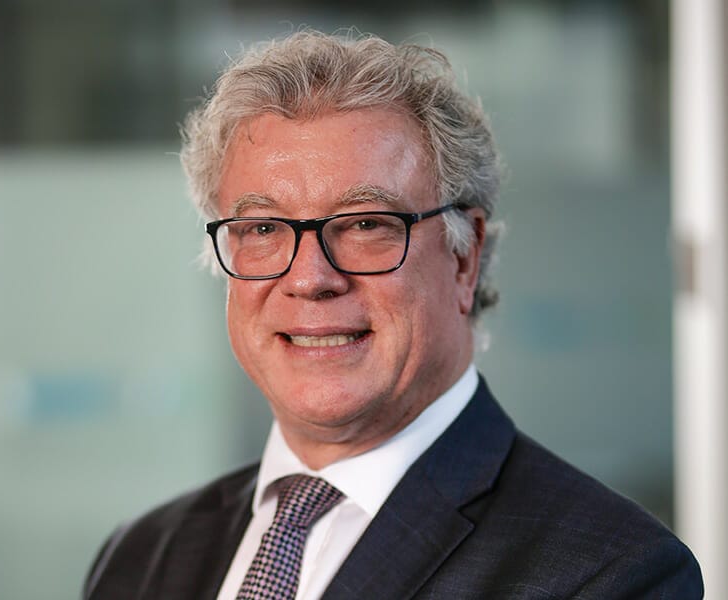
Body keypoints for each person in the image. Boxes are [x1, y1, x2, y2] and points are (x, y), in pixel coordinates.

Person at [83, 31, 703, 599]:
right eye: (264, 228)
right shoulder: (138, 559)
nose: (310, 279)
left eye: (365, 224)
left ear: (465, 258)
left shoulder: (611, 575)